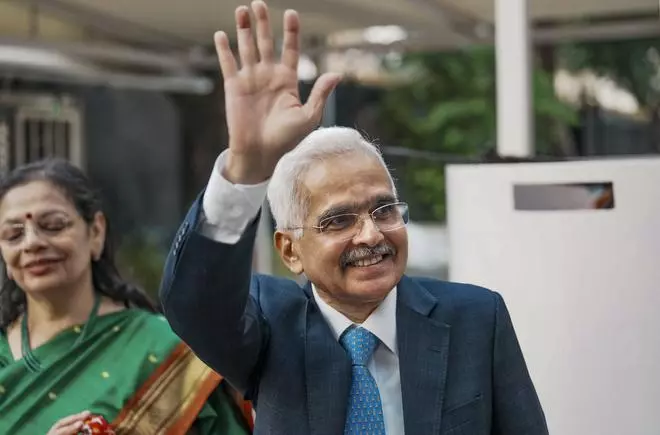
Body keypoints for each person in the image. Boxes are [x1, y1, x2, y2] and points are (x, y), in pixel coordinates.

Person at [159, 2, 549, 434]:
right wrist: (245, 168)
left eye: (383, 210)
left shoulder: (476, 318)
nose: (370, 234)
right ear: (289, 250)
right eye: (338, 220)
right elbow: (196, 303)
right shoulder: (271, 325)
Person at [0, 159, 252, 435]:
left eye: (53, 225)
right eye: (13, 235)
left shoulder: (161, 349)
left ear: (96, 232)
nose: (32, 242)